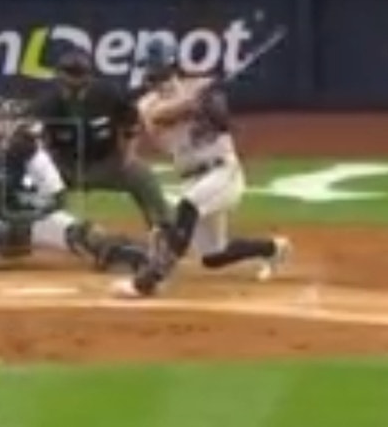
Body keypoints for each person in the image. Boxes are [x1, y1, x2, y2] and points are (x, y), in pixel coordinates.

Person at [112, 40, 291, 299]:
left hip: (222, 172)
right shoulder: (146, 103)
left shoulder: (201, 87)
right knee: (212, 256)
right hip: (192, 177)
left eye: (152, 67)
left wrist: (212, 104)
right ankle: (274, 248)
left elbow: (222, 122)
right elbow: (160, 117)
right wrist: (194, 104)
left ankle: (148, 281)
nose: (148, 74)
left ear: (168, 65)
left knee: (186, 209)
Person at [0, 97, 150, 273]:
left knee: (84, 236)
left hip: (37, 222)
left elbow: (58, 197)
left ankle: (121, 250)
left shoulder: (31, 152)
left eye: (0, 122)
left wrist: (31, 214)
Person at [30, 50, 174, 234]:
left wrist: (128, 156)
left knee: (141, 175)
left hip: (107, 162)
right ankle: (23, 230)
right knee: (30, 180)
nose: (75, 82)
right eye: (70, 75)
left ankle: (164, 230)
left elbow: (131, 121)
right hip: (64, 165)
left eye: (80, 75)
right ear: (59, 76)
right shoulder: (47, 102)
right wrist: (45, 166)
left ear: (89, 76)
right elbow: (33, 138)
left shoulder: (107, 93)